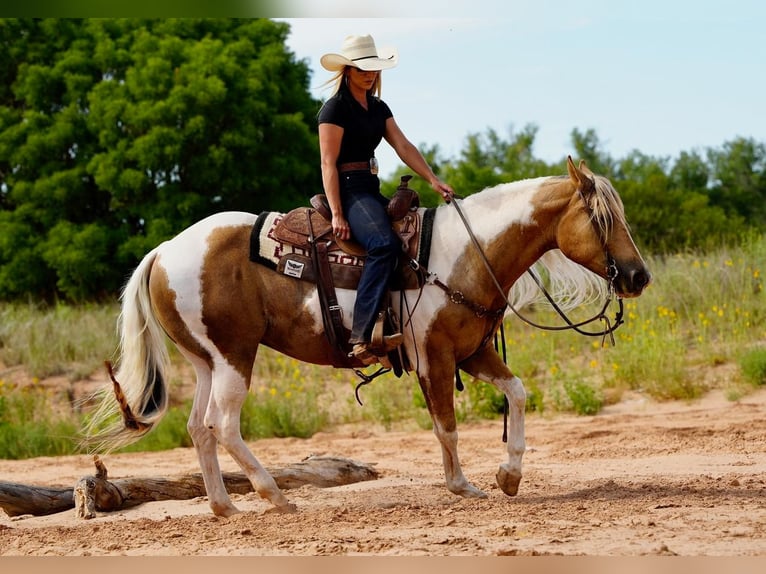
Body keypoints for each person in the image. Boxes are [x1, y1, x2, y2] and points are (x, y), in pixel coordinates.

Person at [317, 34, 454, 366]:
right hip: (349, 190)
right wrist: (337, 212)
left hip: (371, 186)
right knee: (383, 244)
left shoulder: (378, 107)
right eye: (363, 68)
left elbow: (403, 147)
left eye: (374, 69)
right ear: (347, 70)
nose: (370, 74)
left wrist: (433, 180)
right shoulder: (334, 109)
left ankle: (400, 322)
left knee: (417, 240)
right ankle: (361, 335)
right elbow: (327, 162)